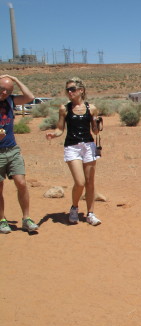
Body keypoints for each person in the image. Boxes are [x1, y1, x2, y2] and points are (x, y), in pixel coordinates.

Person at [45, 78, 102, 226]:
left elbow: (95, 132)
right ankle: (74, 207)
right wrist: (53, 134)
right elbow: (60, 129)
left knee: (90, 182)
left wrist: (97, 123)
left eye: (72, 89)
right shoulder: (64, 109)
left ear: (81, 90)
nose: (69, 92)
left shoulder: (92, 108)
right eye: (67, 90)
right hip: (72, 146)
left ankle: (90, 213)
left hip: (88, 146)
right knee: (80, 181)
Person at [0, 75, 39, 233]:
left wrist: (15, 80)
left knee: (21, 183)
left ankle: (26, 218)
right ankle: (2, 220)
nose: (4, 92)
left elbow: (30, 97)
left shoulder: (10, 100)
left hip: (12, 149)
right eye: (2, 89)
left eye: (8, 91)